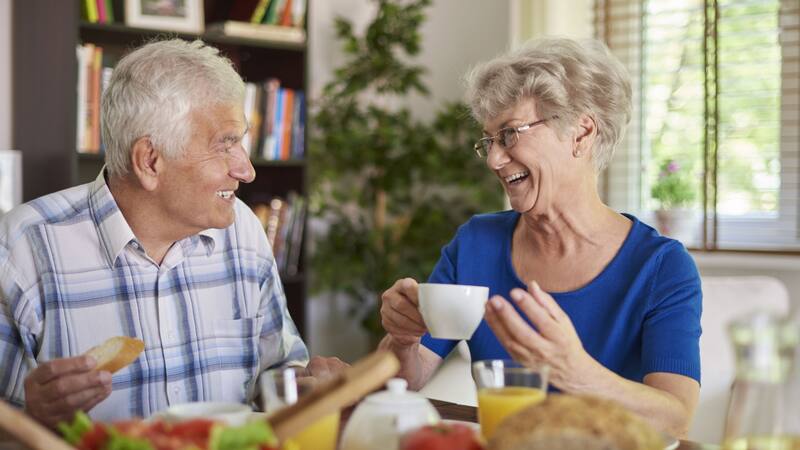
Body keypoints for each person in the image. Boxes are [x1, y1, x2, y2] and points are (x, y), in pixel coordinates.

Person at [0, 39, 346, 428]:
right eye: (225, 146)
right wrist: (32, 415)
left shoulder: (244, 230)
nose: (246, 171)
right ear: (150, 161)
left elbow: (276, 373)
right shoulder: (21, 249)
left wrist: (305, 387)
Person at [379, 37, 701, 438]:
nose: (495, 159)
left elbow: (675, 418)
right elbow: (408, 379)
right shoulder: (476, 243)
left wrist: (575, 371)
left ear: (581, 133)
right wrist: (403, 339)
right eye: (489, 141)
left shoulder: (660, 266)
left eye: (510, 134)